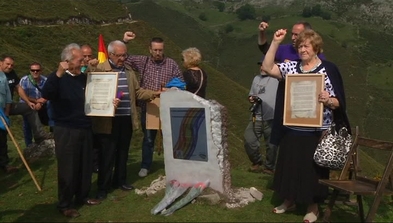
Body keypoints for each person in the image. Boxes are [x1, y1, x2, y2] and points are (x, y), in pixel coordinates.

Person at [261, 29, 350, 223]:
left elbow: (339, 102)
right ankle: (289, 199)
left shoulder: (328, 69)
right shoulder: (291, 68)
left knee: (313, 170)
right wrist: (275, 42)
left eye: (306, 46)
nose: (302, 49)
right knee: (290, 164)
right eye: (299, 46)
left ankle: (313, 207)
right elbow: (268, 68)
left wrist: (328, 100)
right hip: (293, 127)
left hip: (318, 129)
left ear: (315, 47)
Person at [90, 40, 160, 200]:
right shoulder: (100, 70)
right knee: (107, 154)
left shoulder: (128, 71)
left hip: (126, 118)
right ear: (110, 54)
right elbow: (93, 92)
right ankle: (103, 187)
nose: (123, 58)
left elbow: (137, 92)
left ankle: (120, 180)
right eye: (120, 55)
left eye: (125, 55)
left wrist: (155, 93)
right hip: (108, 121)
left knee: (123, 152)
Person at [42, 43, 101, 218]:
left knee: (85, 164)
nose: (83, 60)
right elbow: (47, 93)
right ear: (67, 61)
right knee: (68, 167)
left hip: (84, 126)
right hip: (66, 129)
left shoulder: (83, 77)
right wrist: (58, 74)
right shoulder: (58, 79)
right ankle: (65, 204)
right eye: (79, 58)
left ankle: (83, 195)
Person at [123, 33, 183, 178]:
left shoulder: (171, 64)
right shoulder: (143, 61)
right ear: (150, 49)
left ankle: (173, 166)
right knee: (148, 138)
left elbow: (181, 82)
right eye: (155, 50)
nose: (158, 53)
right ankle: (145, 166)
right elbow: (124, 57)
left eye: (160, 50)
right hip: (148, 107)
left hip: (167, 107)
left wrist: (170, 89)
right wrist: (124, 41)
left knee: (170, 138)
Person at [257, 21, 325, 146]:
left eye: (297, 34)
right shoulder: (286, 49)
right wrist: (263, 33)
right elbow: (265, 49)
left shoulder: (320, 59)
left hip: (308, 108)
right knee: (285, 142)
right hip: (285, 104)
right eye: (292, 34)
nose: (293, 38)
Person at [1, 56, 51, 145]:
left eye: (12, 65)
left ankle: (39, 135)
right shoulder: (22, 79)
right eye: (7, 64)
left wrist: (29, 102)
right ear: (1, 63)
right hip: (1, 106)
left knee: (29, 108)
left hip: (9, 104)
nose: (9, 67)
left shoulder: (12, 73)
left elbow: (18, 89)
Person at [243, 57, 278, 175]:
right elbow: (251, 95)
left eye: (264, 65)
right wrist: (251, 98)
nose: (262, 67)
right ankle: (257, 162)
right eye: (261, 65)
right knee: (249, 140)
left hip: (272, 116)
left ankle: (269, 167)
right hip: (256, 115)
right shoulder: (256, 78)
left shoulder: (277, 78)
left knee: (271, 145)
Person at [19, 62, 48, 146]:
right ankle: (29, 144)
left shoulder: (45, 80)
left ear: (40, 71)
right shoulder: (24, 80)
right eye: (33, 70)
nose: (35, 72)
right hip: (27, 104)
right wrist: (35, 102)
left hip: (42, 104)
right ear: (30, 71)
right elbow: (22, 95)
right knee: (27, 123)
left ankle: (45, 138)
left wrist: (40, 103)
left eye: (37, 70)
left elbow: (48, 94)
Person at [0, 68, 14, 173]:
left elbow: (8, 96)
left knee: (2, 139)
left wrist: (7, 112)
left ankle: (5, 164)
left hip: (2, 112)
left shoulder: (3, 76)